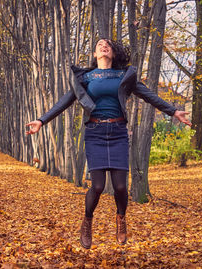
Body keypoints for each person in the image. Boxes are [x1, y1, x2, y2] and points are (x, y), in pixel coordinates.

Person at [25, 38, 191, 249]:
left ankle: (121, 219)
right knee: (98, 186)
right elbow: (64, 102)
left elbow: (149, 96)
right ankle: (87, 220)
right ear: (95, 55)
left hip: (119, 132)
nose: (104, 47)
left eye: (108, 45)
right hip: (95, 133)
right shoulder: (85, 78)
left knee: (121, 187)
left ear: (113, 53)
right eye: (99, 45)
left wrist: (174, 111)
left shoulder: (124, 76)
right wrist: (41, 121)